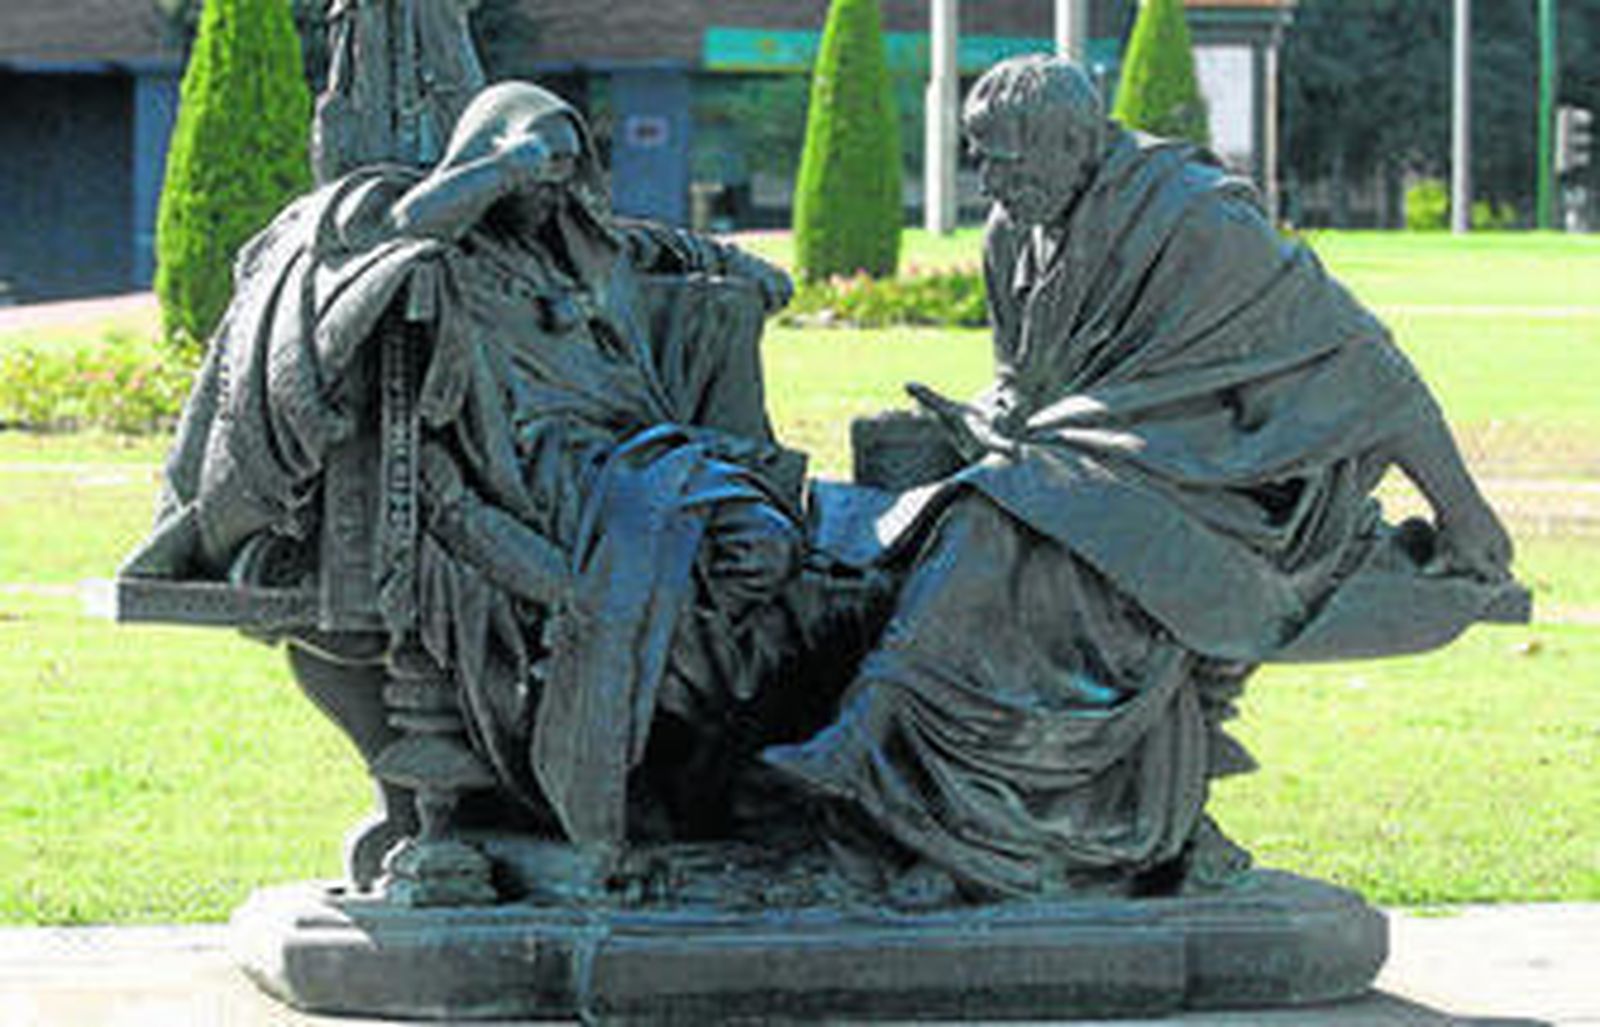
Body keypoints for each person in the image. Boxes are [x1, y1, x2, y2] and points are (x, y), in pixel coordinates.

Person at [764, 55, 1520, 902]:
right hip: (1103, 459)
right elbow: (1026, 380)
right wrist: (983, 414)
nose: (991, 183)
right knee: (960, 516)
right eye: (981, 159)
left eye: (1007, 161)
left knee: (1001, 517)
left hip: (1231, 484)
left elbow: (1364, 367)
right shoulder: (1014, 232)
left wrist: (1464, 512)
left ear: (1076, 142)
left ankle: (887, 749)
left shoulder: (1197, 221)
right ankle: (941, 804)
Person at [125, 81, 816, 849]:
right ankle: (620, 743)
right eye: (540, 168)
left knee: (776, 549)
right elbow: (398, 227)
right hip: (545, 471)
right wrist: (505, 166)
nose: (552, 187)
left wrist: (742, 267)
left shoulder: (571, 247)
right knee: (713, 553)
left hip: (642, 452)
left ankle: (689, 734)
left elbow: (662, 248)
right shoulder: (451, 254)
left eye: (566, 167)